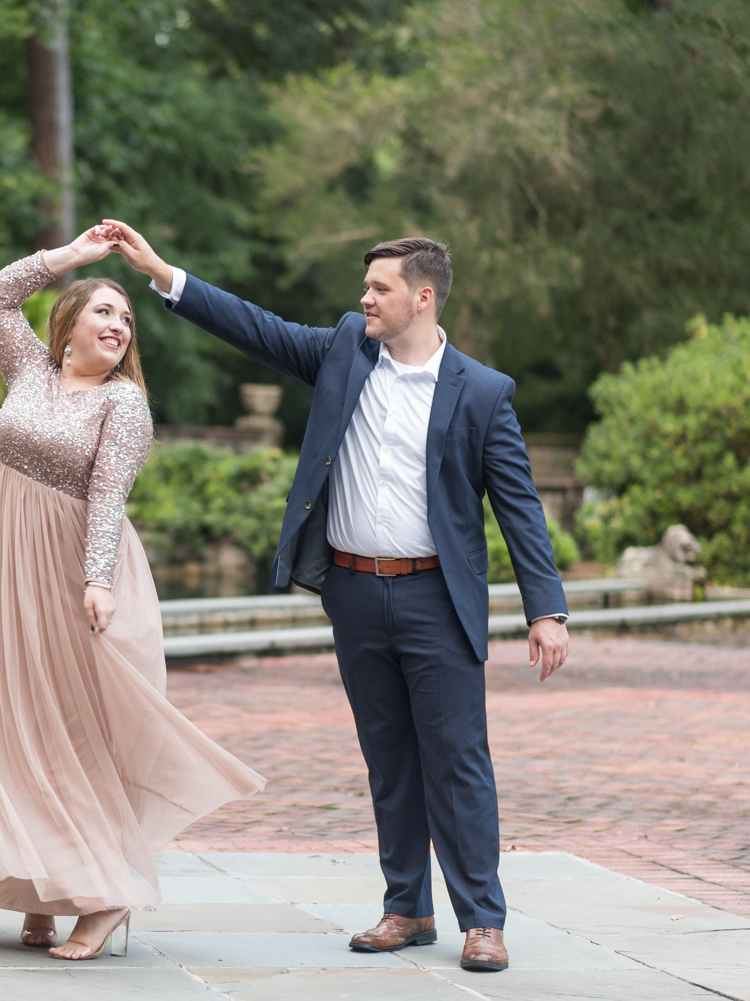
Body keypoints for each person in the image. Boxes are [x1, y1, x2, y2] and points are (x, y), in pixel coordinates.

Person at [105, 221, 569, 974]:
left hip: (437, 600)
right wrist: (163, 272)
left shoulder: (483, 393)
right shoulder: (345, 351)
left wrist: (544, 609)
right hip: (353, 591)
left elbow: (519, 506)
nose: (364, 299)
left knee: (458, 761)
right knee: (388, 758)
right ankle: (407, 906)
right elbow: (253, 326)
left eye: (379, 288)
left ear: (422, 297)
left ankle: (483, 918)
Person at [0, 226, 265, 962]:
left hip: (70, 570)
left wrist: (95, 579)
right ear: (67, 326)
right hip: (4, 573)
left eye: (126, 319)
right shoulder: (28, 371)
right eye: (105, 312)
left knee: (68, 726)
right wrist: (73, 257)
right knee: (8, 718)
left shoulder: (123, 406)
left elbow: (109, 496)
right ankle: (42, 887)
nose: (119, 326)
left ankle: (106, 892)